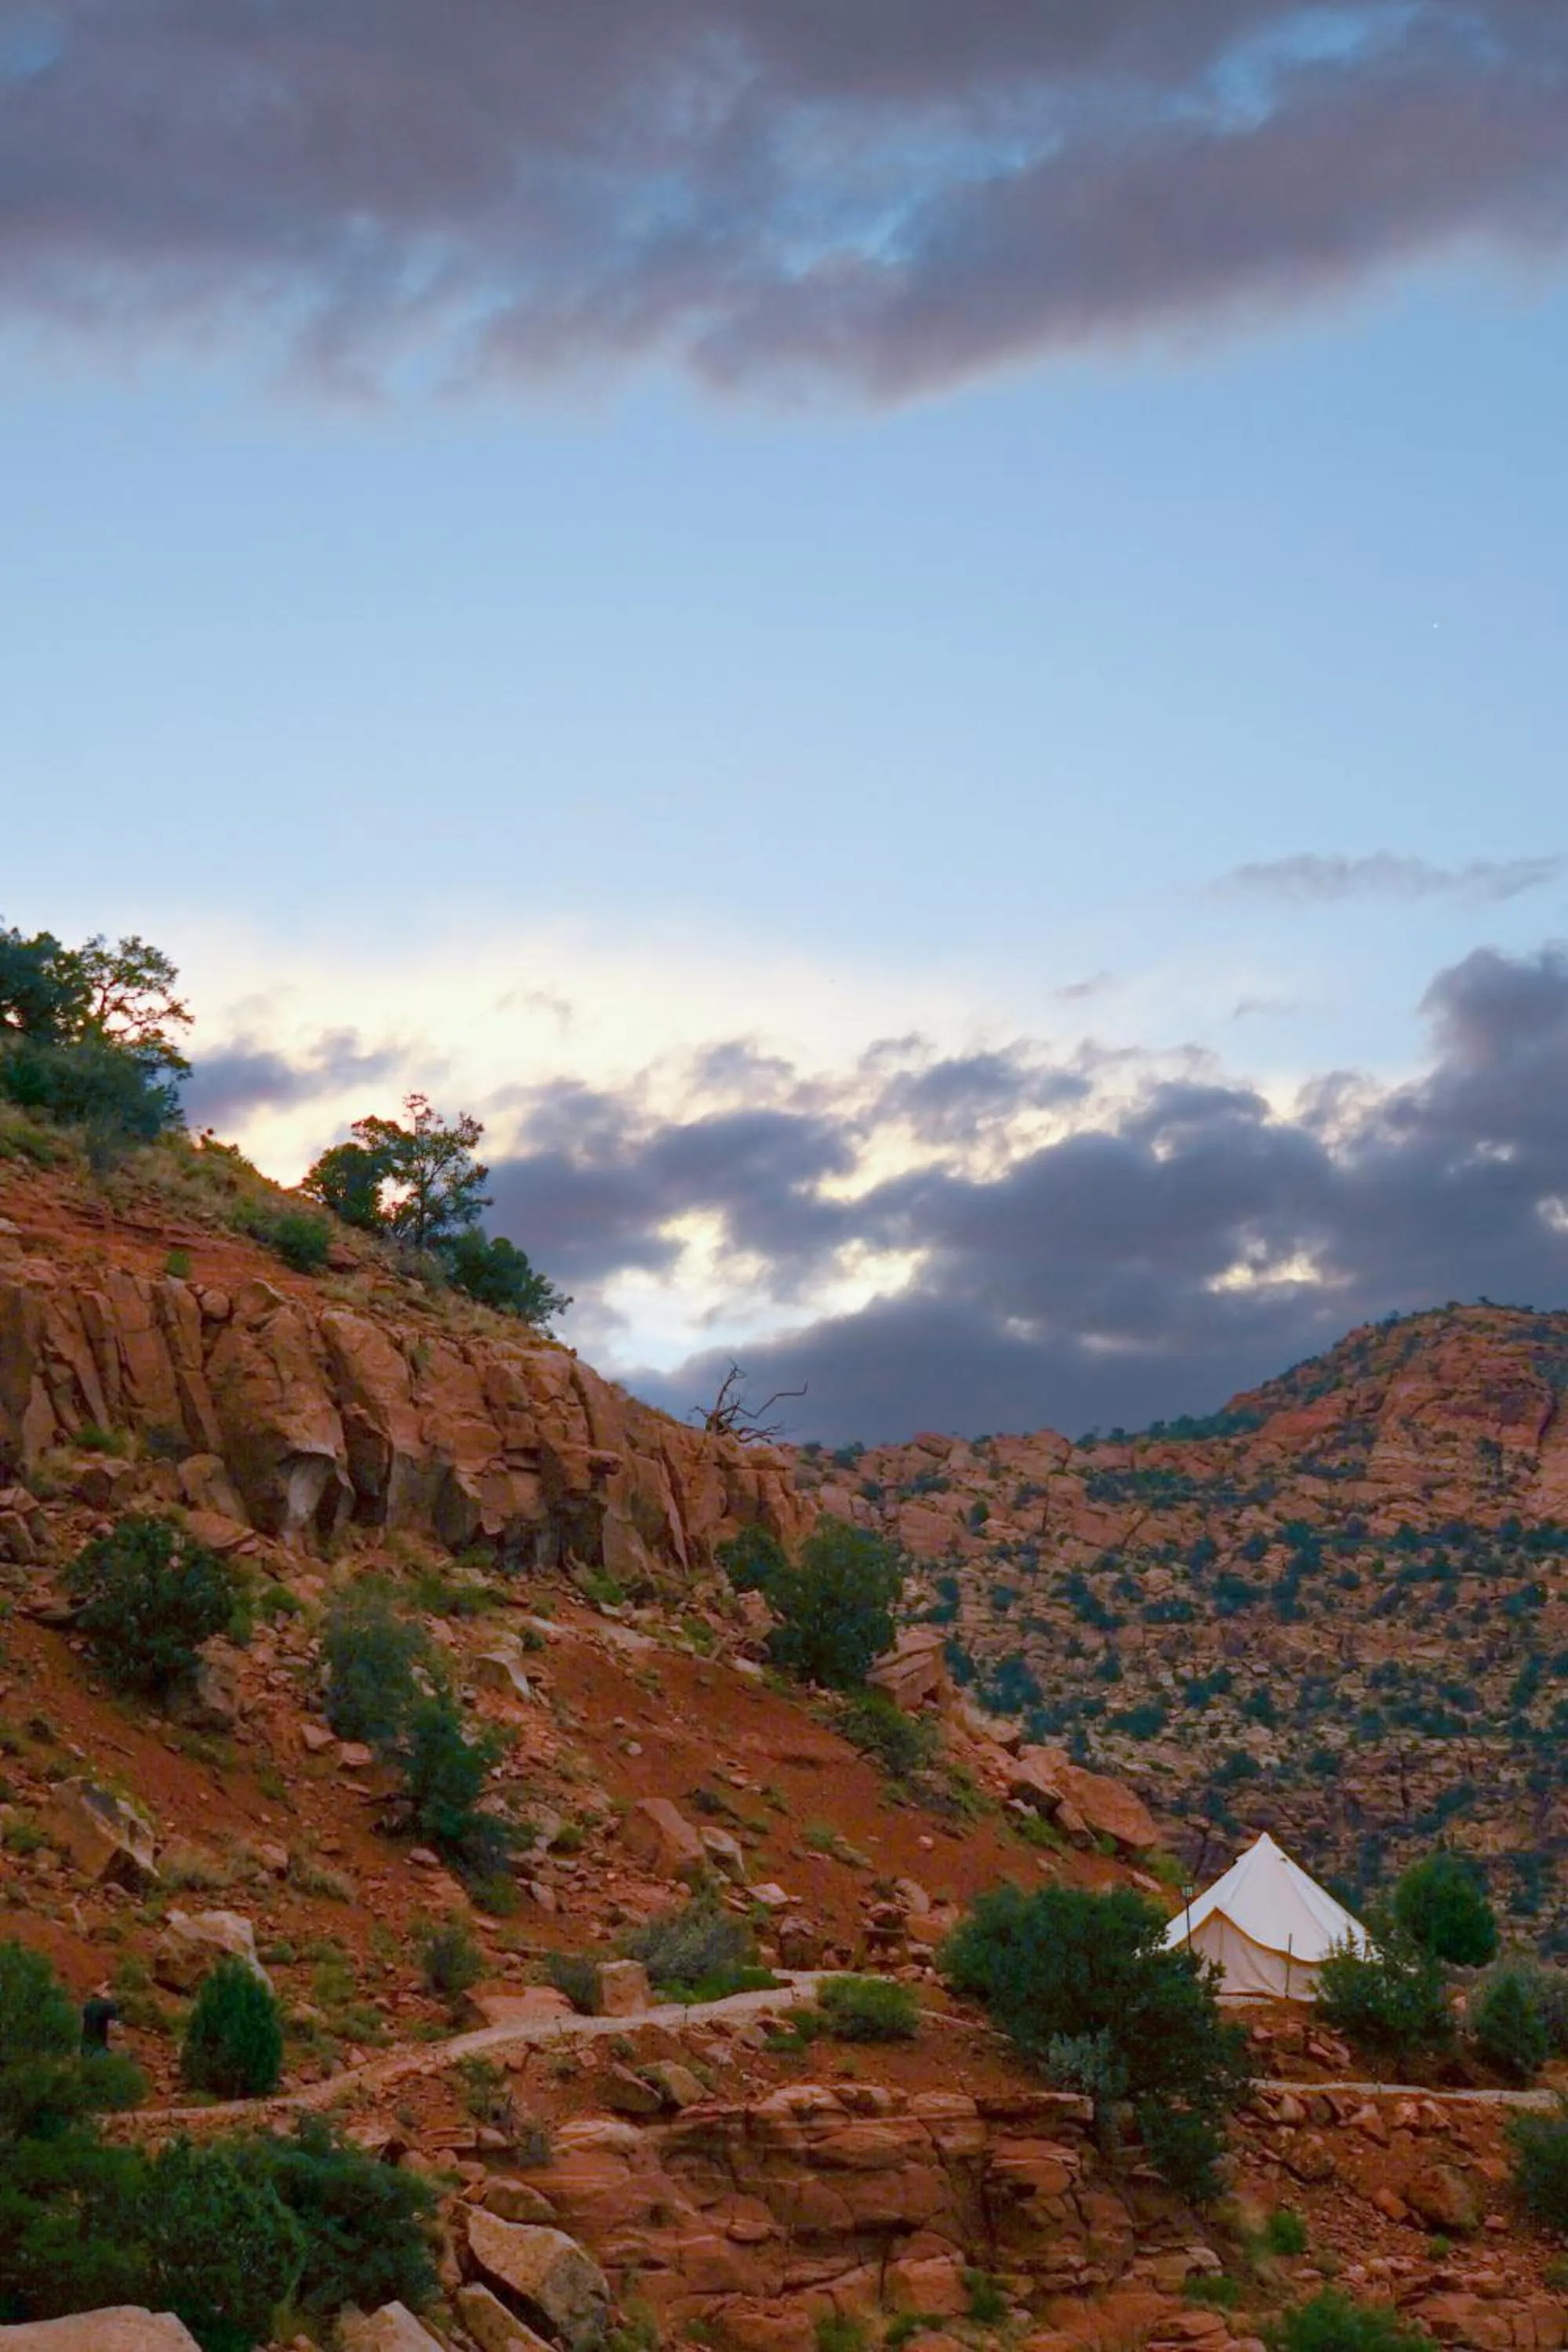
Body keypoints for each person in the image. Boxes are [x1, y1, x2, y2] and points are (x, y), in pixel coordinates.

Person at [81, 1981, 119, 2055]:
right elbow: (115, 2031)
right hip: (100, 2049)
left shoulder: (89, 2005)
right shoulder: (111, 2007)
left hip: (86, 2046)